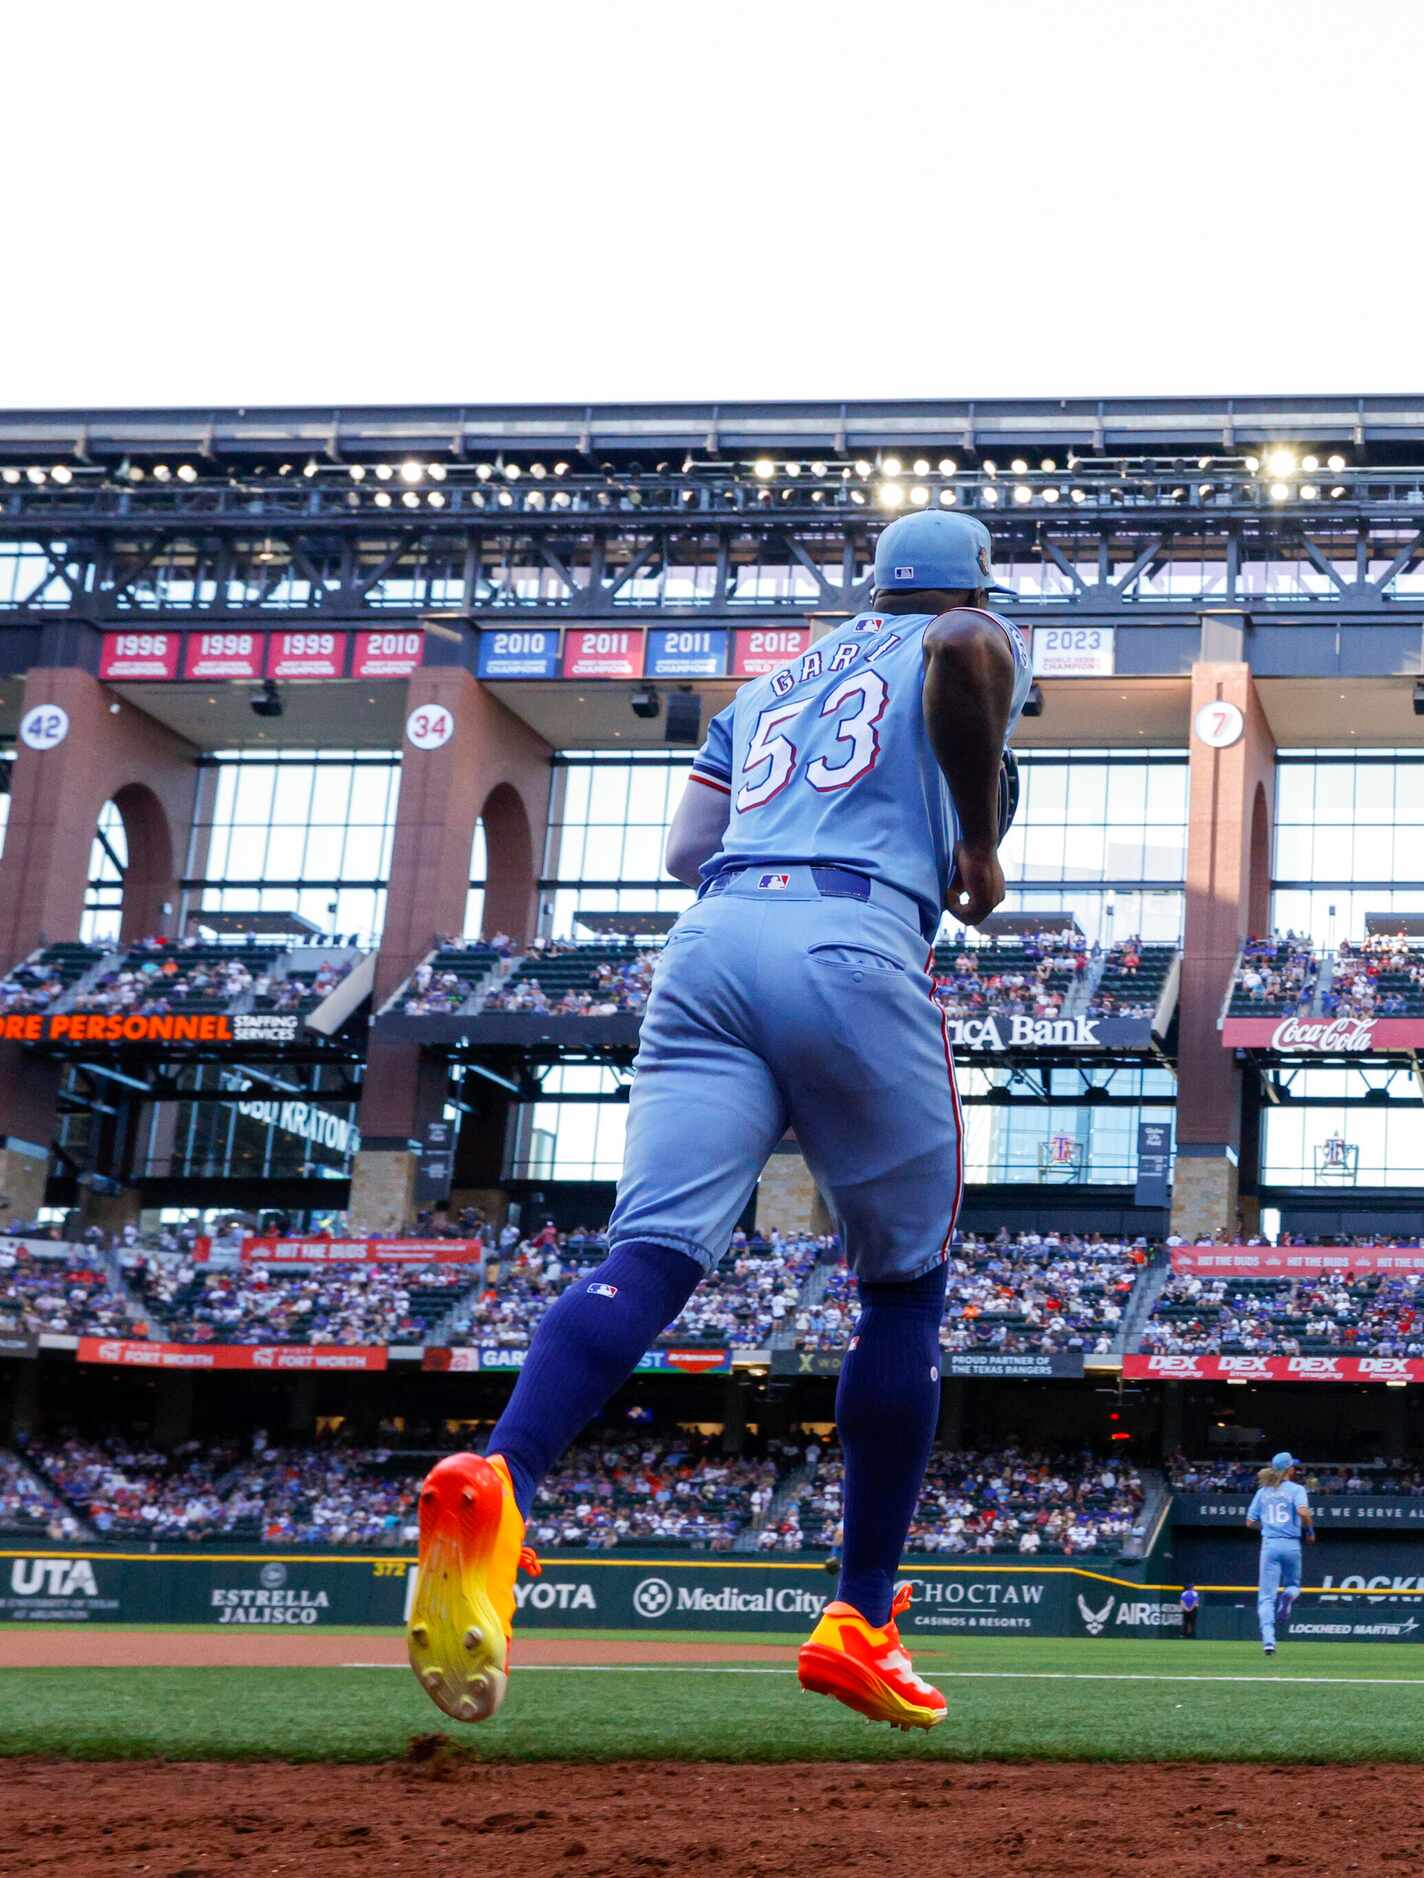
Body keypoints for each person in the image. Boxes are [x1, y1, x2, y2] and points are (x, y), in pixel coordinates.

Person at [403, 510, 1031, 1731]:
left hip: (710, 944)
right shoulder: (965, 627)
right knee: (902, 1288)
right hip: (855, 935)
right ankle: (860, 1618)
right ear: (968, 582)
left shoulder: (767, 685)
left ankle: (503, 1474)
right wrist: (978, 841)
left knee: (649, 1253)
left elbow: (688, 845)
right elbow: (963, 653)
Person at [1245, 1452, 1314, 1657]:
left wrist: (1268, 1527)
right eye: (1293, 1466)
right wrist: (1310, 1531)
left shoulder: (1262, 1492)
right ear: (1288, 1470)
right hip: (1291, 1543)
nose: (1295, 1469)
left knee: (1266, 1598)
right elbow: (1303, 1512)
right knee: (1294, 1585)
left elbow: (1249, 1522)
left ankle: (1269, 1642)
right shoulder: (1297, 1489)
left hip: (1270, 1545)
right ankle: (1289, 1596)